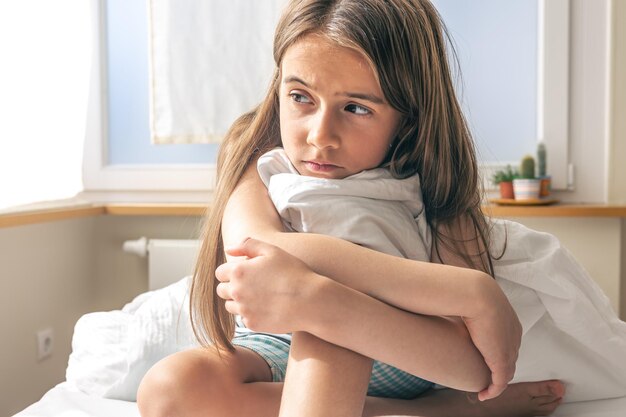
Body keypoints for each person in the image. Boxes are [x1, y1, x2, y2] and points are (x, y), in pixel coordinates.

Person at [135, 1, 579, 416]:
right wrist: (471, 292)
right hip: (273, 347)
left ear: (410, 114)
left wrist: (325, 301)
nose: (320, 135)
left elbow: (476, 368)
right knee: (167, 391)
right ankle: (435, 412)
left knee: (325, 322)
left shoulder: (428, 180)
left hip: (401, 346)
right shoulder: (260, 156)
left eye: (355, 107)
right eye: (300, 97)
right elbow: (254, 249)